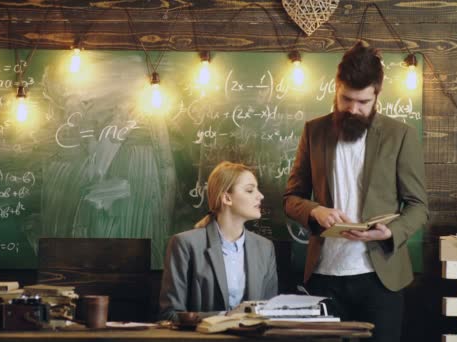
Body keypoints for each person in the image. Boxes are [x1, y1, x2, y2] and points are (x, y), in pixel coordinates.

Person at [283, 41, 428, 342]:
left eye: (363, 102)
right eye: (346, 98)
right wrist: (315, 210)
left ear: (377, 94)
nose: (353, 109)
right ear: (336, 87)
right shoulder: (314, 131)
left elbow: (418, 206)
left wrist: (389, 233)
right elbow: (291, 199)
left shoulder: (400, 136)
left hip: (381, 279)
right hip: (324, 277)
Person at [159, 161, 278, 322]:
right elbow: (170, 315)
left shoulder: (265, 248)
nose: (260, 196)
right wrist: (226, 317)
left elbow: (269, 313)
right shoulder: (185, 244)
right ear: (227, 198)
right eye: (250, 190)